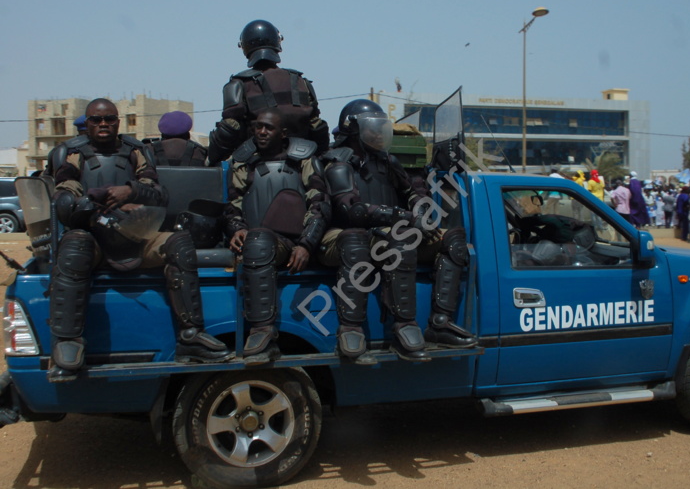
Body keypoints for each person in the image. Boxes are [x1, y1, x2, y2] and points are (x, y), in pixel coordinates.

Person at [46, 99, 232, 383]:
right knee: (73, 248)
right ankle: (67, 342)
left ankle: (191, 336)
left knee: (179, 243)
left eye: (109, 118)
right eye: (97, 120)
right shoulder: (73, 154)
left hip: (137, 235)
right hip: (94, 237)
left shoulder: (136, 151)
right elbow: (63, 192)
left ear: (118, 121)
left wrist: (129, 191)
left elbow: (157, 193)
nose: (104, 124)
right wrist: (85, 201)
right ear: (88, 122)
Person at [318, 100, 476, 363]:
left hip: (388, 234)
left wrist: (422, 216)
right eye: (373, 128)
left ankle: (439, 322)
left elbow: (415, 192)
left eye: (382, 127)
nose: (380, 133)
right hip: (349, 235)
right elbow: (352, 210)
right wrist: (404, 217)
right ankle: (365, 327)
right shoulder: (338, 163)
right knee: (387, 240)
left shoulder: (387, 161)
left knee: (454, 239)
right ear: (354, 130)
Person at [223, 108, 329, 364]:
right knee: (258, 239)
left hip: (294, 243)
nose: (261, 131)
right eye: (258, 126)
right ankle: (263, 331)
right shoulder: (242, 162)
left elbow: (320, 203)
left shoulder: (303, 160)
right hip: (260, 243)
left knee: (260, 239)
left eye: (268, 128)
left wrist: (306, 244)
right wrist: (237, 227)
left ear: (283, 133)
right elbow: (232, 204)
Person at [208, 19, 329, 164]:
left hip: (256, 163)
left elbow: (228, 130)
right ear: (277, 43)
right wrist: (321, 157)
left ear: (245, 47)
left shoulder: (238, 84)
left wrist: (211, 158)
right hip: (303, 162)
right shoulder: (301, 82)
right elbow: (317, 126)